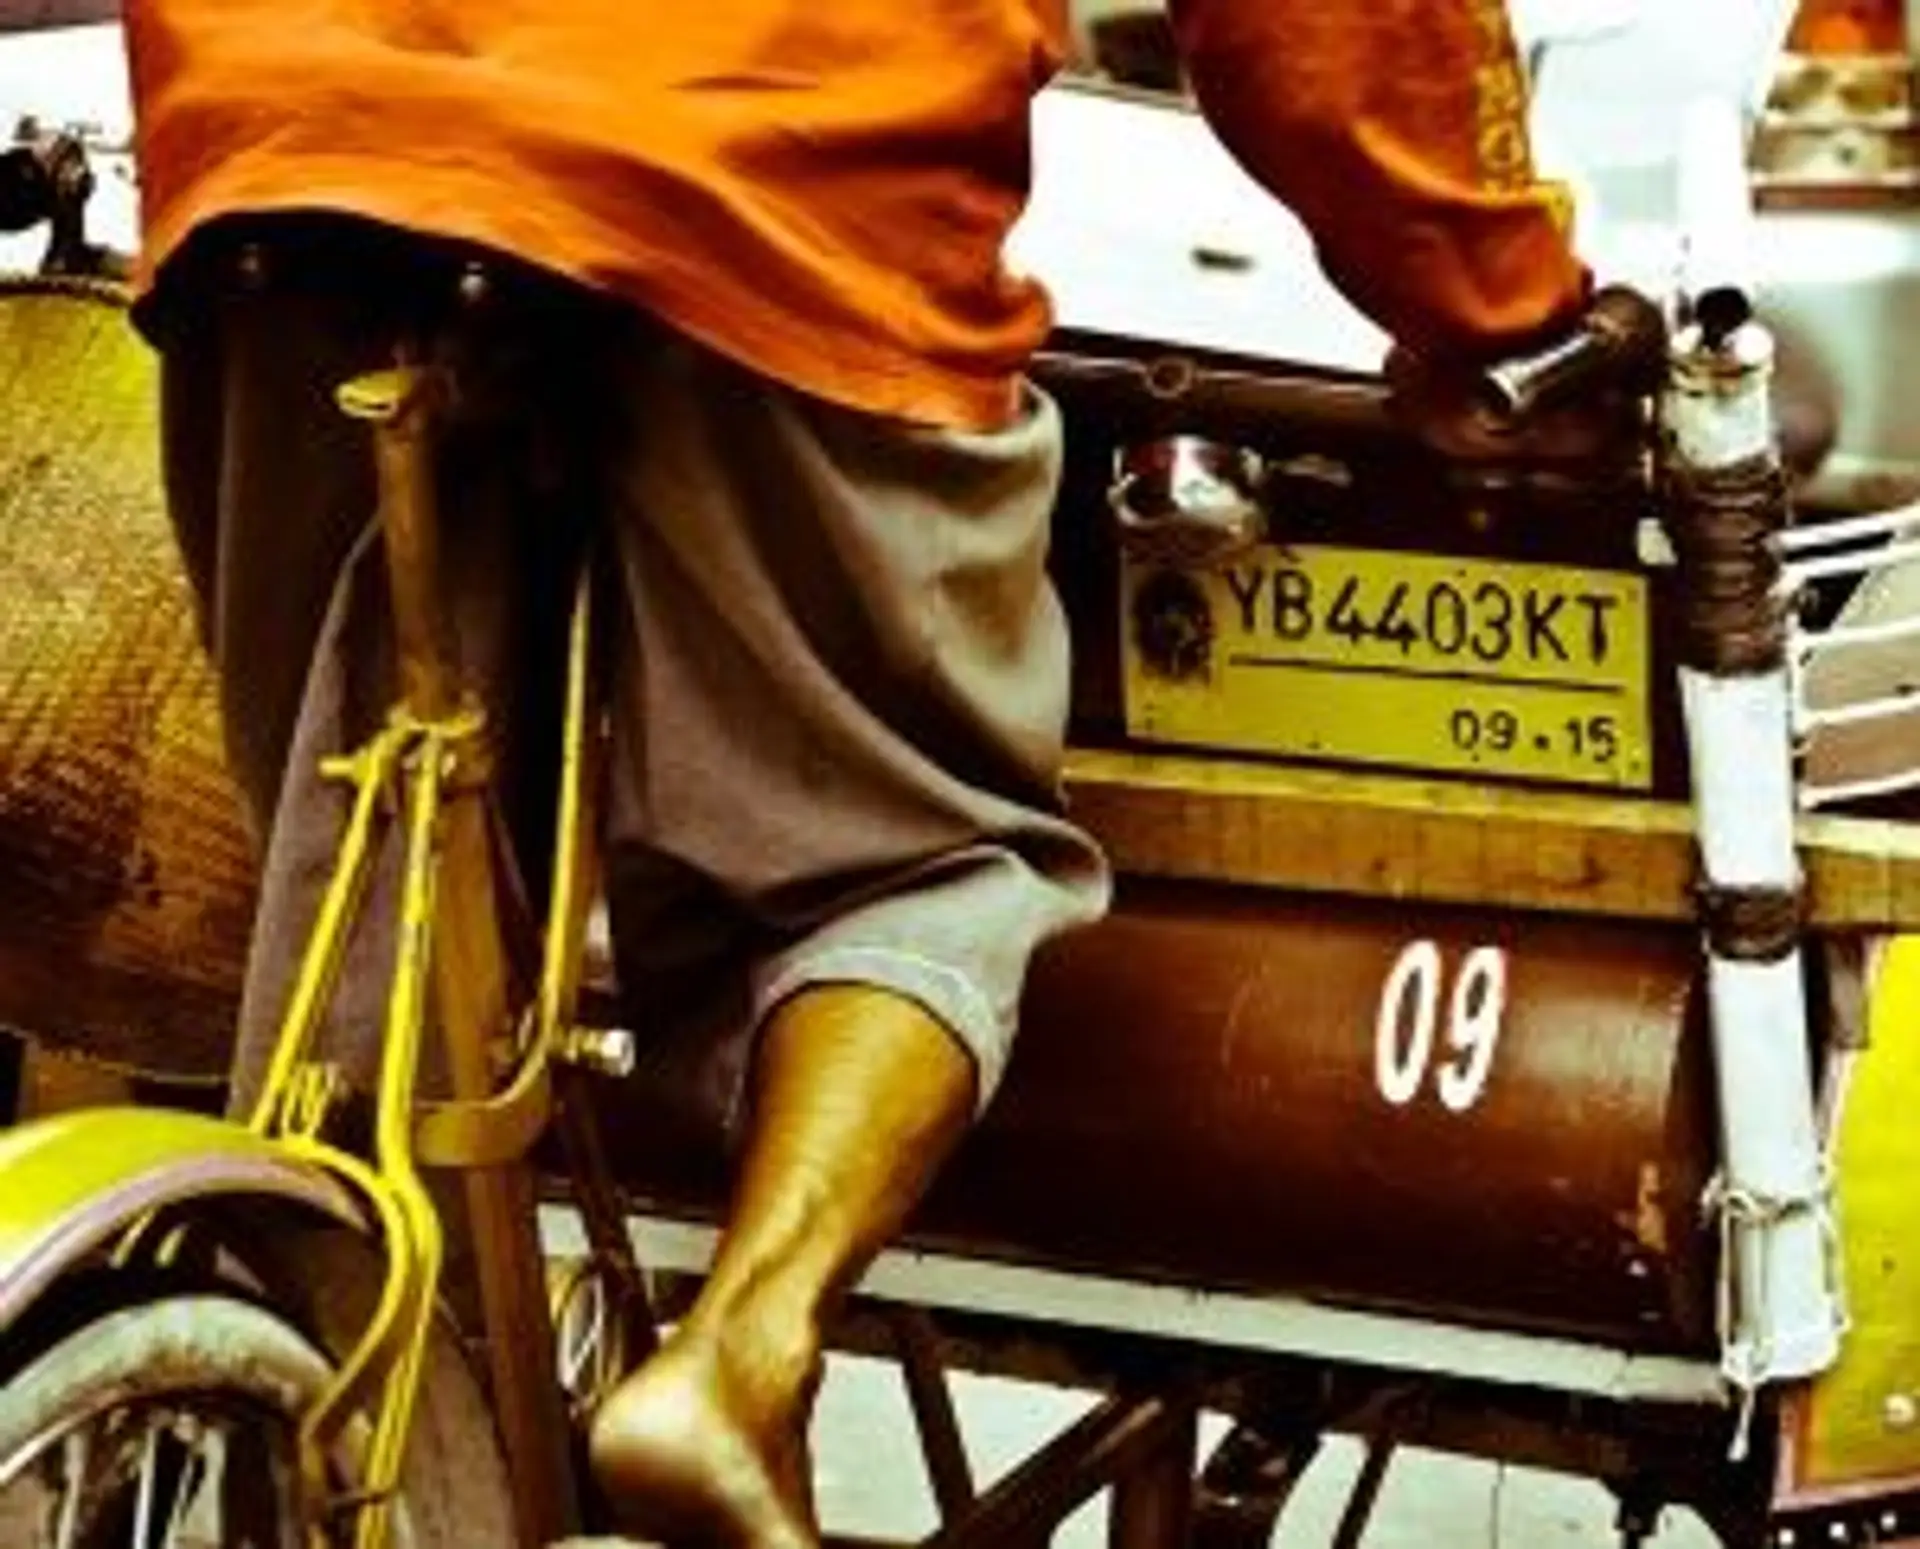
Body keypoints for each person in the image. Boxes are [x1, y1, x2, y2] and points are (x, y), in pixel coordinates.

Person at [124, 2, 1588, 1543]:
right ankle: (738, 1361)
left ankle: (341, 1430)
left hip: (280, 143)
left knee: (375, 870)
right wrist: (1496, 307)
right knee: (907, 862)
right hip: (764, 149)